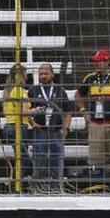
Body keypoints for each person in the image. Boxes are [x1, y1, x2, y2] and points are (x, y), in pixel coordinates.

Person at [76, 49, 110, 167]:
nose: (95, 64)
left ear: (107, 62)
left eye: (98, 61)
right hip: (95, 124)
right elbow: (78, 94)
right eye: (94, 61)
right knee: (95, 159)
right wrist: (83, 111)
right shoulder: (89, 78)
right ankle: (97, 182)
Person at [28, 63, 73, 193]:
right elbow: (26, 109)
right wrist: (32, 122)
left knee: (56, 158)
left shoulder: (60, 90)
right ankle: (38, 186)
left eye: (46, 73)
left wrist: (66, 128)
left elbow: (68, 111)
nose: (43, 76)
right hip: (40, 130)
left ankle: (56, 187)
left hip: (56, 130)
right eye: (41, 74)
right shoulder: (33, 90)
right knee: (39, 158)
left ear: (52, 75)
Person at [0, 63, 31, 144]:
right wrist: (37, 110)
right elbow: (24, 111)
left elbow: (4, 112)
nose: (27, 77)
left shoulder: (7, 91)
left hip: (8, 126)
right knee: (23, 155)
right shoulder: (20, 91)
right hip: (19, 127)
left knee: (18, 154)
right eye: (25, 74)